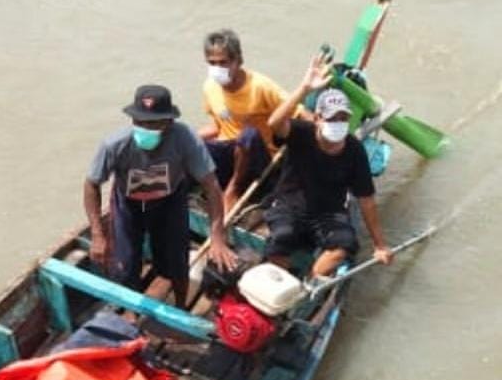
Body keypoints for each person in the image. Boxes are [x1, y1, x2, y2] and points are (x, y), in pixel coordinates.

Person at [84, 84, 237, 308]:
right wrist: (97, 234)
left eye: (154, 123)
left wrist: (217, 236)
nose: (146, 128)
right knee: (124, 265)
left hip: (169, 201)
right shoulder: (114, 144)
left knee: (176, 262)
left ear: (169, 122)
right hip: (130, 205)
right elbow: (91, 184)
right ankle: (128, 314)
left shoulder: (185, 138)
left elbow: (211, 185)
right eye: (141, 122)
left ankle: (181, 306)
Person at [264, 55, 393, 279]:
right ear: (317, 118)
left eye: (343, 119)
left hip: (328, 213)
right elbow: (274, 123)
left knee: (345, 244)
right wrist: (304, 89)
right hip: (289, 206)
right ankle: (281, 283)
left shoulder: (354, 149)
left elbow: (366, 200)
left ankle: (309, 285)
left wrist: (380, 244)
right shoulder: (301, 132)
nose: (338, 124)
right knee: (280, 239)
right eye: (332, 118)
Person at [198, 29, 294, 211]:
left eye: (223, 63)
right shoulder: (210, 87)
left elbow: (298, 113)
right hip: (230, 154)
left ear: (238, 61)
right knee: (186, 141)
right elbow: (217, 127)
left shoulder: (261, 86)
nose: (217, 69)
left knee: (247, 135)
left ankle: (233, 190)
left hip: (261, 161)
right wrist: (184, 137)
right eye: (212, 63)